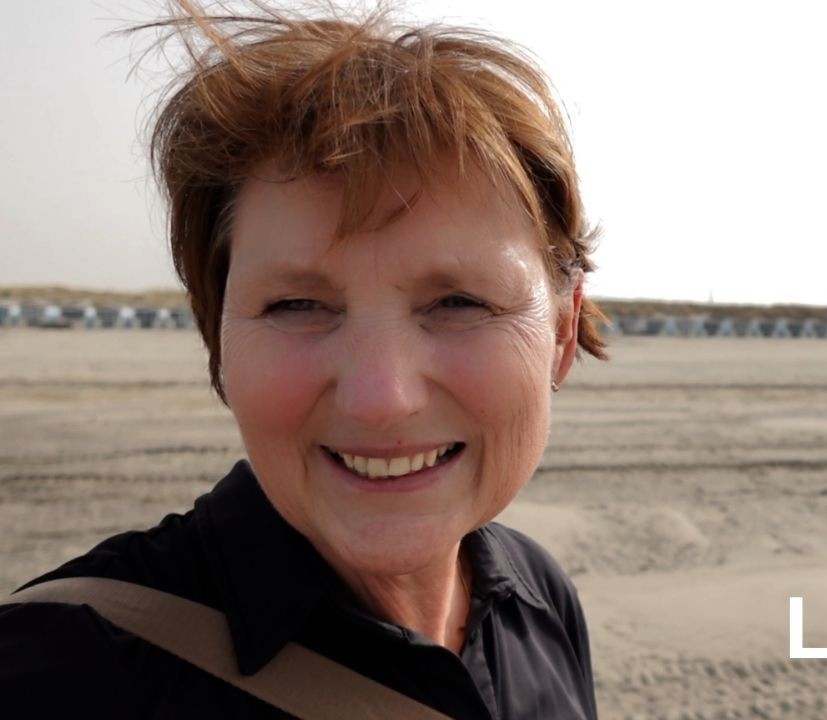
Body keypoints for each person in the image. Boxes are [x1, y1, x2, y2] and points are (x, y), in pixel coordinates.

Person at [0, 2, 607, 718]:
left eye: (460, 302)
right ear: (219, 341)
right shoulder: (56, 672)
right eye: (295, 305)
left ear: (563, 335)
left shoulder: (542, 601)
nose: (381, 398)